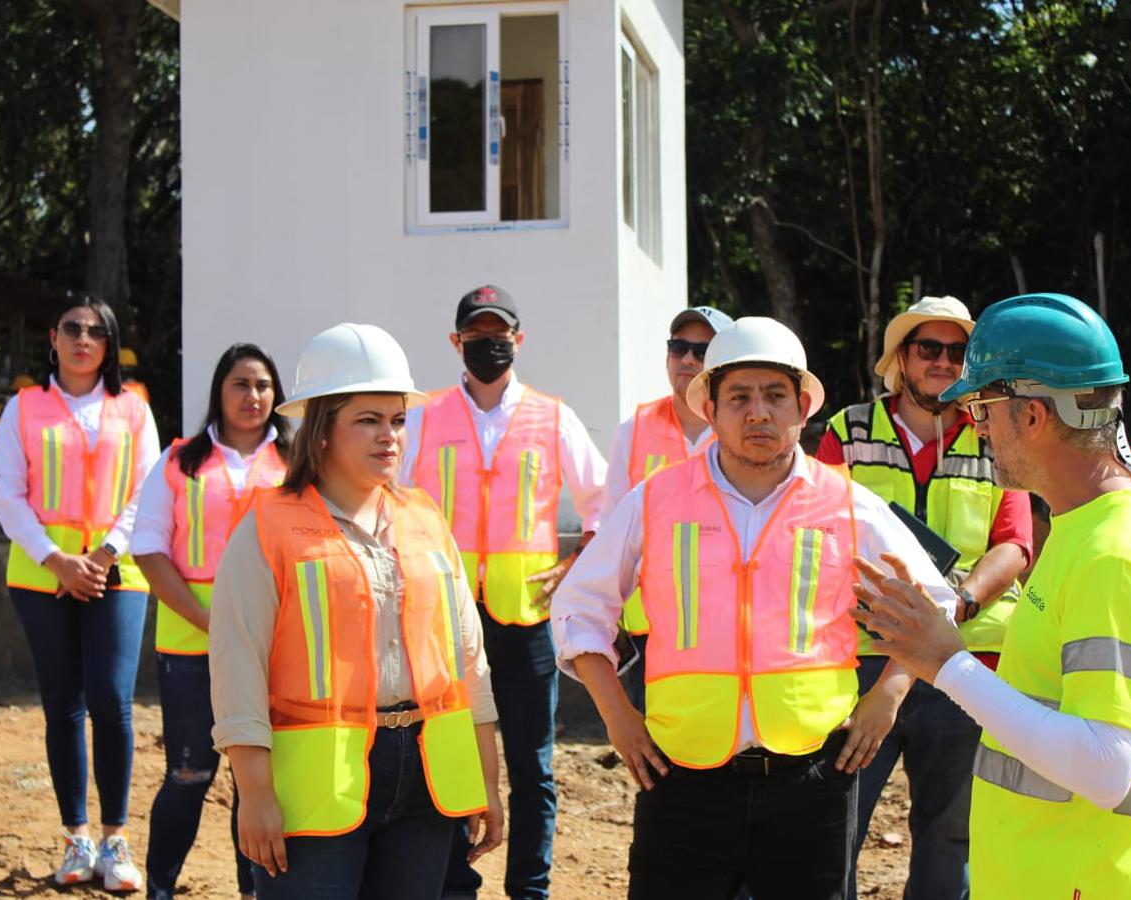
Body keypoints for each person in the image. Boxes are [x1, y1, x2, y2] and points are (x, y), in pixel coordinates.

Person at [550, 317, 958, 900]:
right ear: (710, 410)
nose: (758, 413)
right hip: (682, 778)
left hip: (813, 780)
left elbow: (934, 601)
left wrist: (888, 697)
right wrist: (616, 715)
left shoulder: (847, 503)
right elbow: (579, 609)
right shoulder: (658, 499)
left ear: (803, 408)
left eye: (775, 396)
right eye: (739, 397)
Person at [852, 293, 1131, 899]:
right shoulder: (1086, 529)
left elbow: (1105, 767)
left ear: (1034, 416)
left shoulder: (1113, 553)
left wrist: (947, 663)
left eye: (982, 405)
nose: (977, 425)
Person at [209, 323, 503, 900]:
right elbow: (237, 665)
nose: (389, 436)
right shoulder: (267, 527)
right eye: (367, 420)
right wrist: (256, 793)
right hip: (316, 793)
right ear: (320, 431)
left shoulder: (425, 518)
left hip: (427, 779)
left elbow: (470, 660)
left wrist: (488, 782)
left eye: (396, 419)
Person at [817, 296, 1032, 899]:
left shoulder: (998, 436)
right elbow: (815, 534)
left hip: (963, 663)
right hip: (858, 660)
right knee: (837, 825)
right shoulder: (847, 431)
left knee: (949, 836)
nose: (942, 361)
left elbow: (1014, 546)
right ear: (901, 358)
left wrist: (953, 606)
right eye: (928, 348)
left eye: (957, 352)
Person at [399, 284, 605, 900]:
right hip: (445, 618)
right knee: (451, 750)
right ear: (456, 341)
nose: (490, 343)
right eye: (477, 334)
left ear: (519, 338)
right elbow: (393, 499)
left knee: (532, 766)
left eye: (500, 332)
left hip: (526, 618)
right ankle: (455, 882)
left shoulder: (552, 415)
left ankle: (530, 889)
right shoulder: (426, 414)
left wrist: (575, 563)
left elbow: (603, 502)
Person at [0, 292, 160, 891]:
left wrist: (104, 554)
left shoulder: (134, 410)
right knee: (63, 704)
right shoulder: (24, 407)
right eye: (72, 328)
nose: (83, 338)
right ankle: (76, 839)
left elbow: (147, 489)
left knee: (112, 702)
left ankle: (117, 841)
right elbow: (8, 492)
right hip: (43, 577)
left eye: (96, 330)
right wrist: (58, 560)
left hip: (117, 574)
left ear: (109, 345)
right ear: (54, 339)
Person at [131, 343, 290, 900]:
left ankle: (254, 891)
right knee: (191, 774)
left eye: (263, 386)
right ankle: (159, 888)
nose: (253, 396)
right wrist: (206, 618)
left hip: (275, 649)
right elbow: (149, 548)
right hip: (190, 644)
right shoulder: (179, 461)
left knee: (258, 779)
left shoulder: (297, 466)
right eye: (240, 384)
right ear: (219, 392)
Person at [601, 305, 732, 710]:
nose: (689, 359)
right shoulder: (634, 429)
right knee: (656, 751)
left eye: (702, 350)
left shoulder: (744, 428)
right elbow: (612, 531)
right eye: (679, 348)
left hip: (727, 622)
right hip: (652, 626)